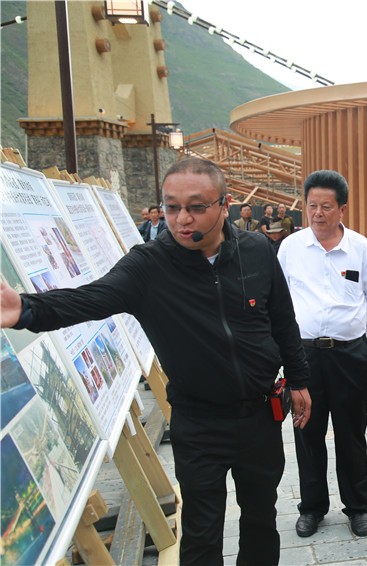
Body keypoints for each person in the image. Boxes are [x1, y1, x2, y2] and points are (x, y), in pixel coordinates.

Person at [0, 157, 312, 566]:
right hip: (198, 422)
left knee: (261, 518)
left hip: (260, 416)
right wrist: (25, 309)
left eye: (196, 207)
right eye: (171, 207)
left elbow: (283, 320)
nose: (182, 219)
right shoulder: (149, 265)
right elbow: (91, 298)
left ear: (225, 205)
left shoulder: (256, 250)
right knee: (202, 530)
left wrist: (299, 378)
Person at [277, 169, 367, 539]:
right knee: (307, 432)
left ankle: (358, 507)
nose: (317, 213)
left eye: (326, 206)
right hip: (303, 357)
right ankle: (312, 507)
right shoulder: (290, 248)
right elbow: (278, 302)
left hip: (350, 356)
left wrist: (355, 334)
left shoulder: (361, 249)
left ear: (342, 209)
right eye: (312, 206)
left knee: (352, 433)